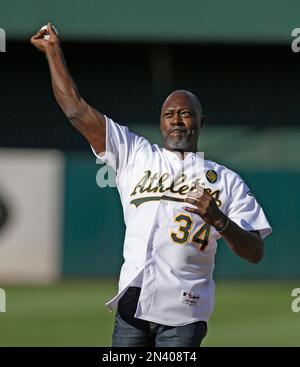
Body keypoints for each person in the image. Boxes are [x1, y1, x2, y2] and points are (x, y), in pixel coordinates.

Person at [31, 23, 272, 347]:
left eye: (185, 114)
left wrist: (219, 220)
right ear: (160, 122)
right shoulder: (136, 154)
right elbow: (76, 109)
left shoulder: (226, 180)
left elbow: (255, 251)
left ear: (200, 122)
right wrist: (54, 53)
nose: (175, 119)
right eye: (168, 114)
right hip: (132, 304)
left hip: (184, 311)